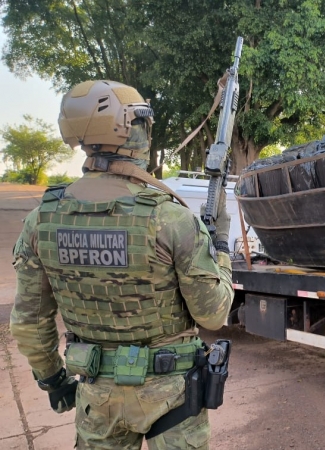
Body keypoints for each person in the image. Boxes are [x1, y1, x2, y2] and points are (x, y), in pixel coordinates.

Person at [10, 80, 234, 449]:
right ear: (131, 130)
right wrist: (220, 244)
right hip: (173, 394)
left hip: (98, 394)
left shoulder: (43, 219)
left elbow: (29, 321)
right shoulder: (169, 217)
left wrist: (53, 380)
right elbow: (213, 314)